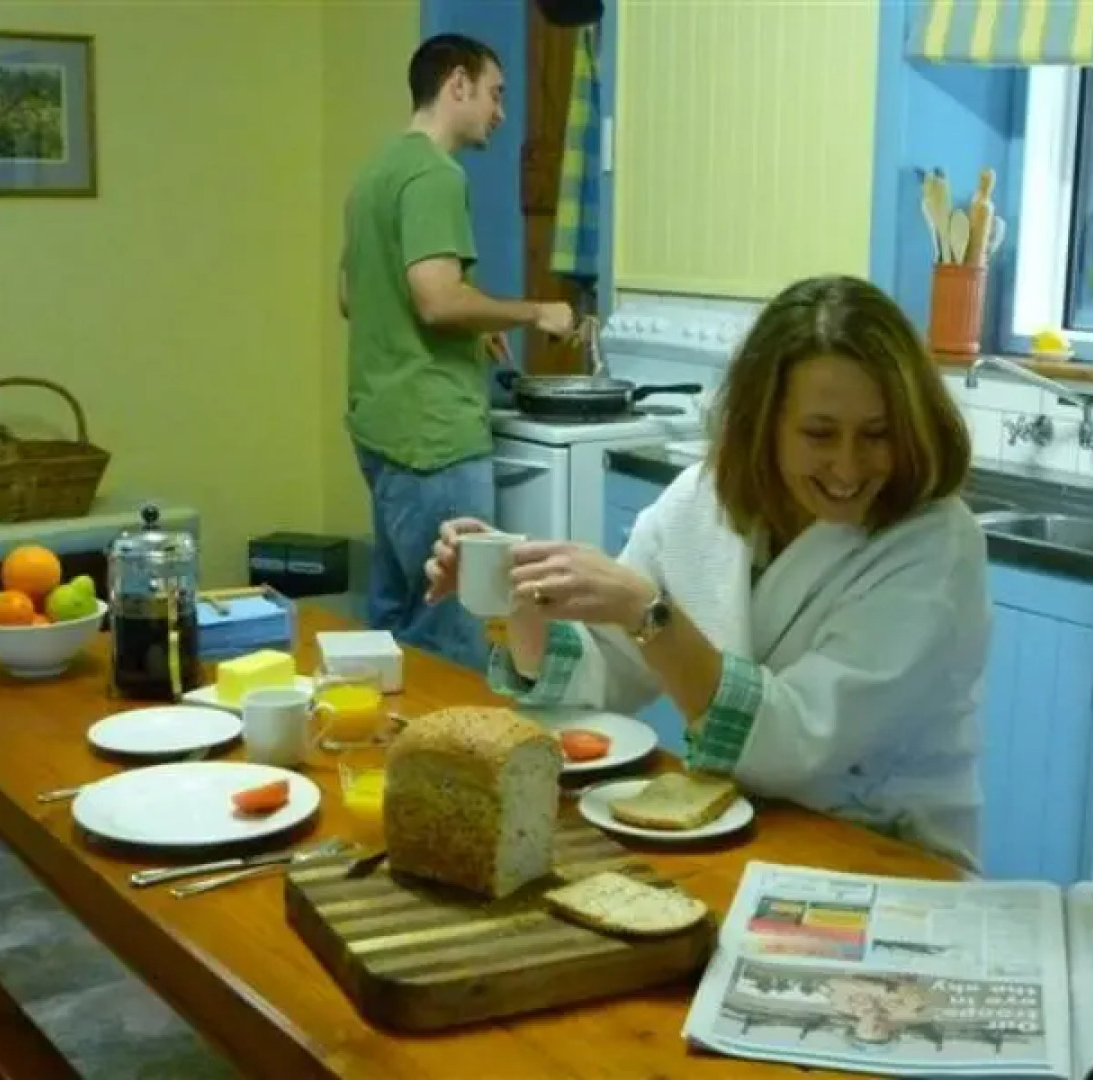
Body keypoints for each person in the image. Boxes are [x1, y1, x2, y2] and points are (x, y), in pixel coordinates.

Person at [426, 275, 989, 869]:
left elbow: (795, 741)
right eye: (820, 434)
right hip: (735, 835)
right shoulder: (704, 499)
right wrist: (520, 592)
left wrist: (648, 615)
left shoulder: (934, 544)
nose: (848, 466)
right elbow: (608, 675)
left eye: (877, 436)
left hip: (888, 855)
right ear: (763, 422)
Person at [339, 33, 575, 669]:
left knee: (393, 624)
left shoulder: (376, 174)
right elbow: (437, 299)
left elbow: (350, 293)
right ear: (457, 85)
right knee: (451, 633)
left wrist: (472, 320)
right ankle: (445, 764)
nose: (501, 112)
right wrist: (536, 310)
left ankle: (389, 757)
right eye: (496, 94)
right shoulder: (436, 174)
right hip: (434, 434)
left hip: (380, 426)